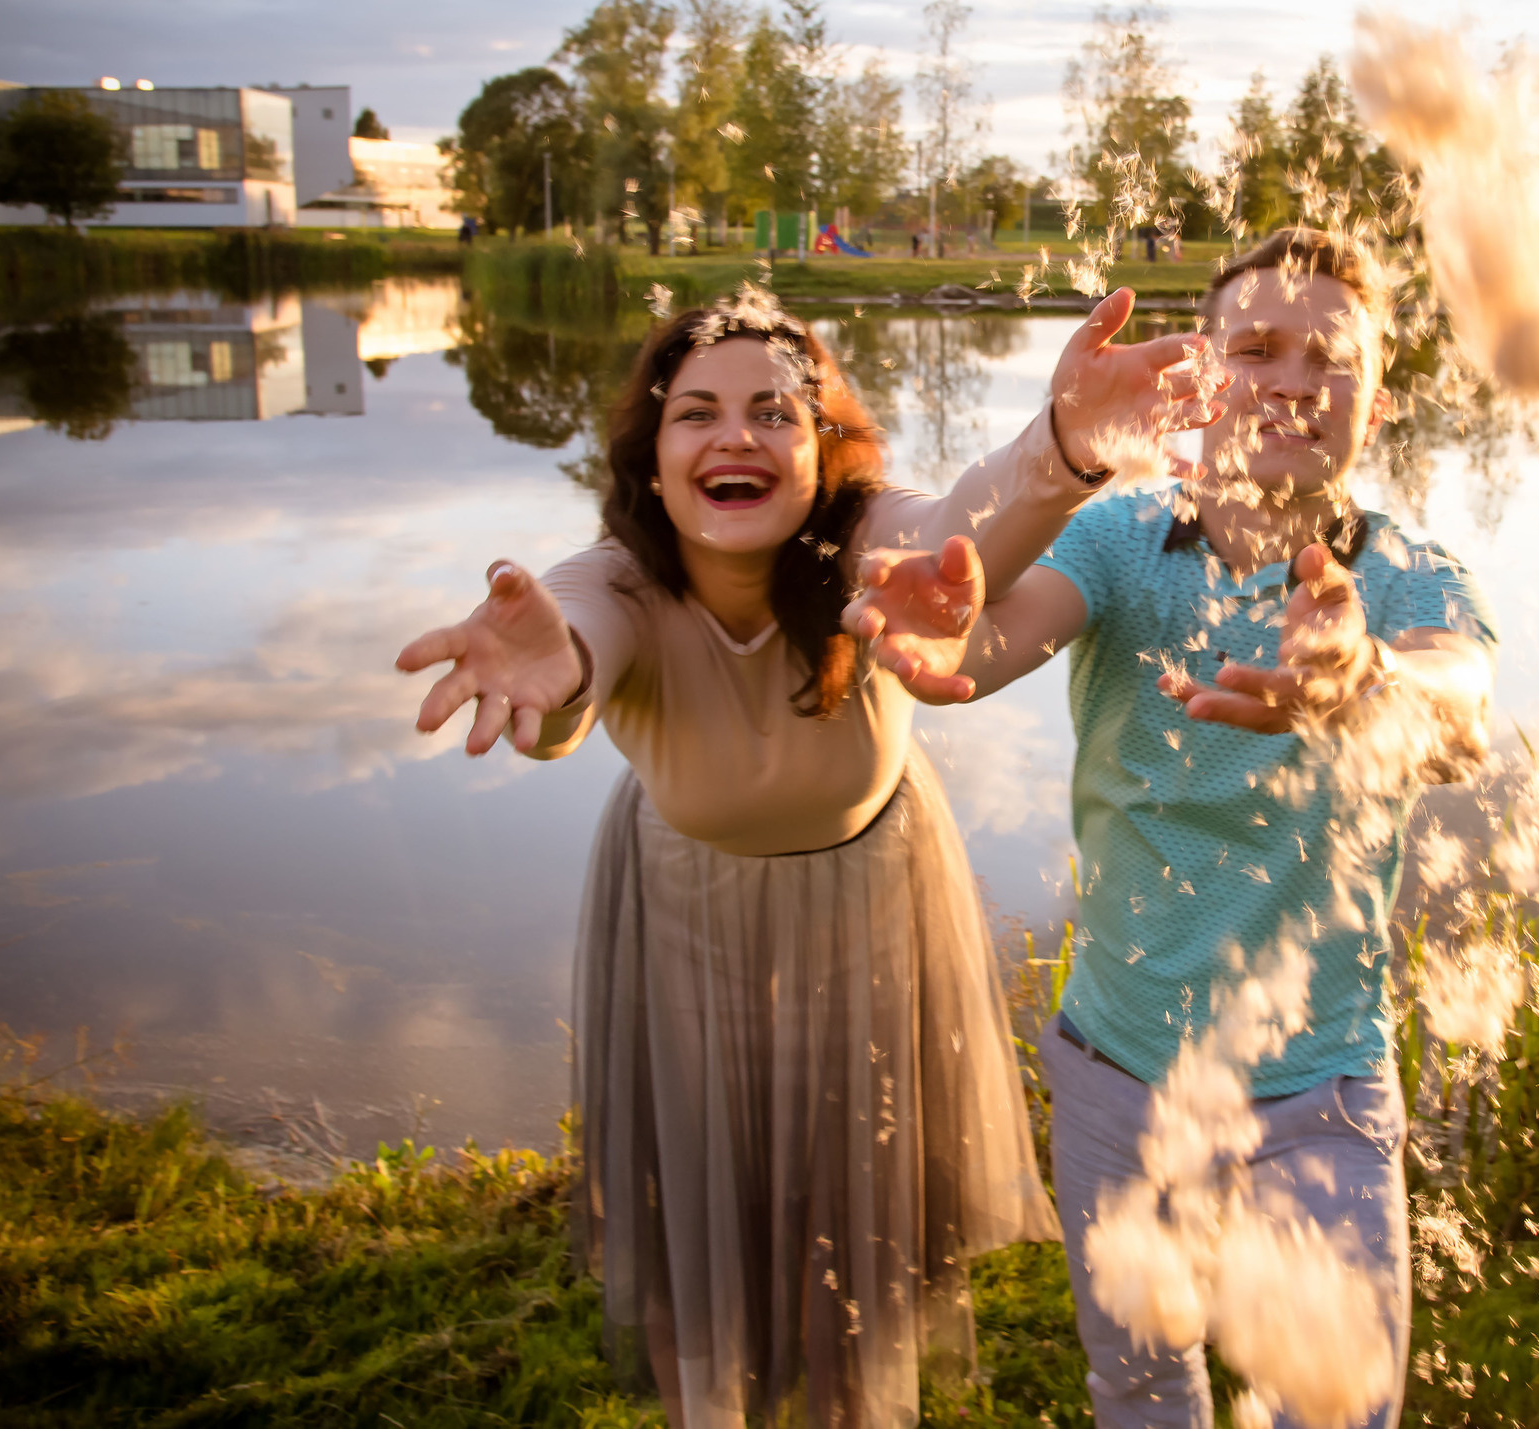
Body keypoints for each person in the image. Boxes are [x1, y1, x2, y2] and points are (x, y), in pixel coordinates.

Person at [395, 287, 1222, 1429]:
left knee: (856, 1245)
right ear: (651, 458)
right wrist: (554, 678)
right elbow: (570, 656)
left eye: (773, 412)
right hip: (679, 913)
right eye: (696, 413)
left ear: (821, 447)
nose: (734, 436)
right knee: (697, 1226)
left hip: (872, 908)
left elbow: (964, 525)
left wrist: (1067, 445)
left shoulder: (863, 535)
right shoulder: (617, 575)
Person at [844, 228, 1497, 1429]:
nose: (1292, 381)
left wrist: (1366, 680)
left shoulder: (1408, 576)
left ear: (1378, 400)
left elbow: (1458, 709)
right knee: (1142, 1381)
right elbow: (992, 640)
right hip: (1117, 1076)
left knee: (1339, 1405)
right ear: (1201, 373)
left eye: (1331, 359)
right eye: (1257, 349)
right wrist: (946, 628)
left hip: (1320, 1085)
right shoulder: (1118, 539)